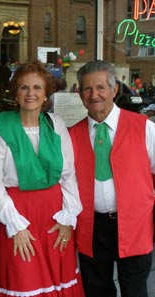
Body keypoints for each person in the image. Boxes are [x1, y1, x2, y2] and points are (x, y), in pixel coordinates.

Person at [0, 61, 84, 297]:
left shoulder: (56, 124)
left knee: (59, 279)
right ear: (16, 94)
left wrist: (67, 219)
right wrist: (15, 225)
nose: (31, 93)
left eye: (37, 88)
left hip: (55, 217)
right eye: (24, 88)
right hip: (17, 216)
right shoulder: (2, 127)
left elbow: (69, 175)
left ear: (46, 95)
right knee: (23, 280)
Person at [69, 60, 155, 297]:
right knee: (97, 291)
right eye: (87, 89)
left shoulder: (144, 128)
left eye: (100, 88)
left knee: (135, 291)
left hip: (136, 226)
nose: (94, 95)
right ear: (79, 93)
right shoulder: (71, 135)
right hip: (92, 228)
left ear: (114, 89)